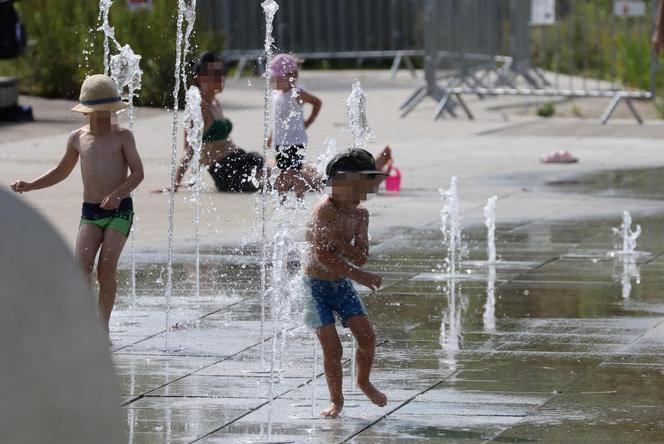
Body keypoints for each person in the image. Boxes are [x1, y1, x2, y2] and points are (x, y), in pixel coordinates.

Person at [10, 74, 144, 333]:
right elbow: (60, 171)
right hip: (91, 213)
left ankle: (102, 327)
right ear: (87, 112)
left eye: (108, 111)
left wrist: (118, 193)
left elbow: (138, 173)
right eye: (98, 112)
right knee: (81, 268)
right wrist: (30, 184)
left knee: (106, 269)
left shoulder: (123, 136)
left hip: (120, 211)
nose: (103, 117)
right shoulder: (77, 138)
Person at [303, 148, 389, 418]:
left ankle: (363, 381)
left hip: (341, 286)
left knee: (367, 337)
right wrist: (359, 274)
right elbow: (320, 255)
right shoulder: (324, 211)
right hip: (314, 287)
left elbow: (362, 257)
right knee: (333, 348)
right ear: (337, 185)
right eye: (355, 189)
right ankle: (336, 400)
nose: (360, 197)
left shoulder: (360, 215)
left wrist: (341, 245)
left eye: (365, 190)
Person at [166, 51, 264, 193]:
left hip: (239, 159)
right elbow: (189, 149)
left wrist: (193, 180)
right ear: (200, 78)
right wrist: (174, 185)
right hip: (227, 172)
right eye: (215, 74)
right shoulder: (198, 106)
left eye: (222, 72)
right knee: (290, 176)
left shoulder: (214, 101)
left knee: (294, 168)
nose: (221, 77)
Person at [268, 53, 323, 199]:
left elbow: (317, 102)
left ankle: (300, 200)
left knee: (295, 173)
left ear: (289, 76)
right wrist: (271, 136)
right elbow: (278, 119)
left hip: (296, 141)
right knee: (281, 172)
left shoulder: (297, 93)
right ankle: (282, 201)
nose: (272, 81)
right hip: (280, 141)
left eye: (275, 78)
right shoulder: (277, 94)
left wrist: (309, 121)